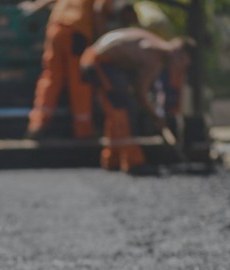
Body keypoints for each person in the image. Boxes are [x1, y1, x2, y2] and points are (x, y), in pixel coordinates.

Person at [80, 28, 192, 174]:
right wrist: (155, 116)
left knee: (115, 110)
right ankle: (133, 161)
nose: (178, 67)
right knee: (124, 109)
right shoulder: (154, 55)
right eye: (181, 62)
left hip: (99, 60)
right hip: (97, 61)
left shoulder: (155, 44)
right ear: (177, 50)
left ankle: (112, 158)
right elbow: (140, 92)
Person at [22, 0, 114, 140]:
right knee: (79, 80)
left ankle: (37, 123)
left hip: (55, 28)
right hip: (77, 31)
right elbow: (100, 9)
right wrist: (102, 39)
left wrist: (34, 6)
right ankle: (84, 130)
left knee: (51, 77)